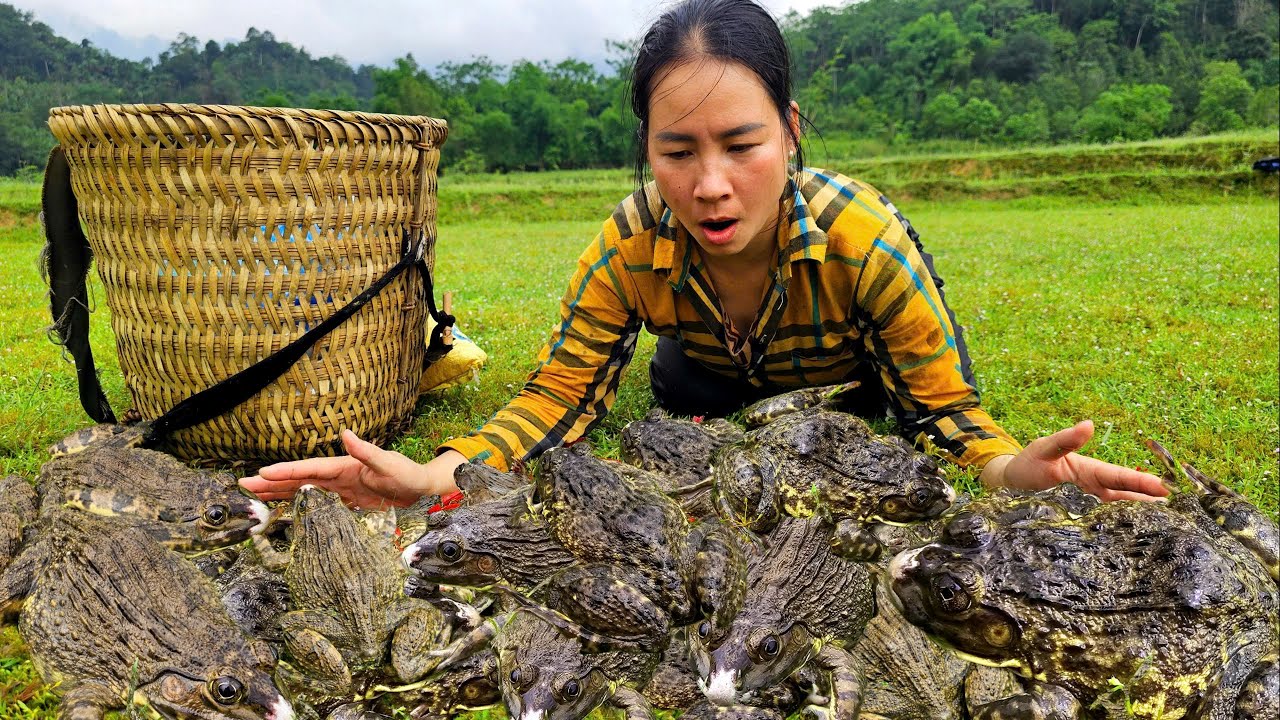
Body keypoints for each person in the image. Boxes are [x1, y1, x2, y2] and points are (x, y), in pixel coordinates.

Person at [241, 0, 1167, 509]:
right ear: (647, 147)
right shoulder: (630, 244)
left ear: (791, 132)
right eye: (678, 152)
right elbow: (558, 398)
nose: (711, 186)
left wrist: (1017, 473)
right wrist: (437, 477)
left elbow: (950, 417)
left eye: (742, 144)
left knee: (869, 411)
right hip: (713, 377)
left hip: (847, 381)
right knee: (681, 389)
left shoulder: (864, 239)